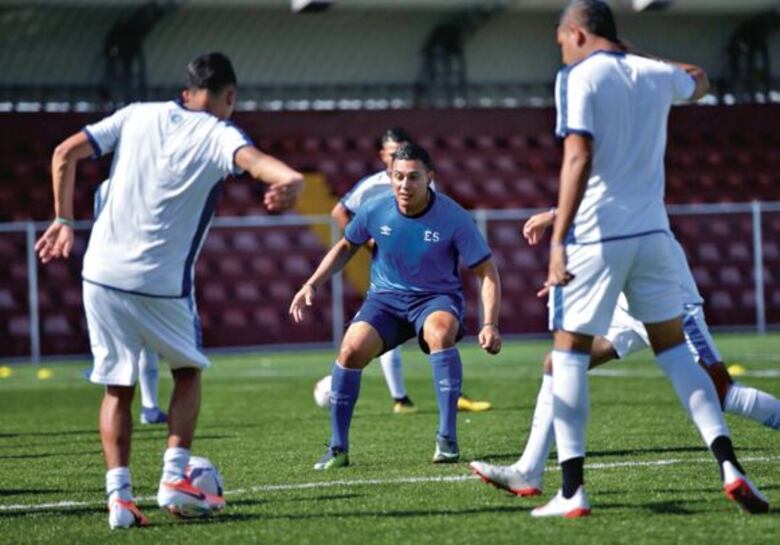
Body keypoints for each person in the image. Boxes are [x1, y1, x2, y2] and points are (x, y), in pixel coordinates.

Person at [35, 51, 304, 529]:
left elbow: (63, 153)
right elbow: (261, 165)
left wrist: (62, 218)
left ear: (185, 93)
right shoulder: (220, 133)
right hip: (160, 283)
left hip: (99, 272)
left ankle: (119, 500)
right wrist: (289, 180)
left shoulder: (135, 114)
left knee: (117, 388)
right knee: (187, 372)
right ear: (230, 97)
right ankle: (175, 477)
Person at [525, 1, 767, 517]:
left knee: (567, 356)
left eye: (562, 40)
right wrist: (636, 56)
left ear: (577, 33)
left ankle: (571, 492)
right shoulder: (653, 74)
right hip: (655, 235)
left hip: (597, 236)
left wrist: (557, 237)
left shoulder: (575, 77)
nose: (561, 49)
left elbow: (577, 156)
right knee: (677, 355)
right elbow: (698, 80)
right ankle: (731, 467)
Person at [470, 208, 780, 497]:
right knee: (559, 364)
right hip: (627, 303)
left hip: (665, 296)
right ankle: (528, 471)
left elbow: (608, 212)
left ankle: (730, 464)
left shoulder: (616, 165)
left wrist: (553, 217)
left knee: (722, 392)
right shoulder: (607, 165)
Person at [291, 143, 501, 470]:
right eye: (398, 177)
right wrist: (312, 283)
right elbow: (347, 245)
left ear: (429, 178)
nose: (405, 185)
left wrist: (490, 324)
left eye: (413, 177)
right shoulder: (375, 209)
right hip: (386, 301)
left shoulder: (454, 217)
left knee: (440, 333)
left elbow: (487, 271)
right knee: (349, 350)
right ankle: (337, 449)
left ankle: (447, 439)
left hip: (435, 299)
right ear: (390, 177)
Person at [331, 128, 492, 414]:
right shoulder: (371, 189)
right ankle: (400, 397)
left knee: (437, 332)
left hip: (425, 277)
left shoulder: (423, 184)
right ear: (383, 157)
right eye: (393, 155)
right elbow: (339, 213)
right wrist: (369, 242)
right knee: (377, 329)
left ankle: (447, 399)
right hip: (388, 270)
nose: (404, 179)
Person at [94, 179, 167, 425]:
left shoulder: (106, 187)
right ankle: (149, 407)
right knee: (139, 345)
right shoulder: (145, 183)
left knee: (135, 347)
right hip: (135, 270)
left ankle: (149, 407)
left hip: (114, 272)